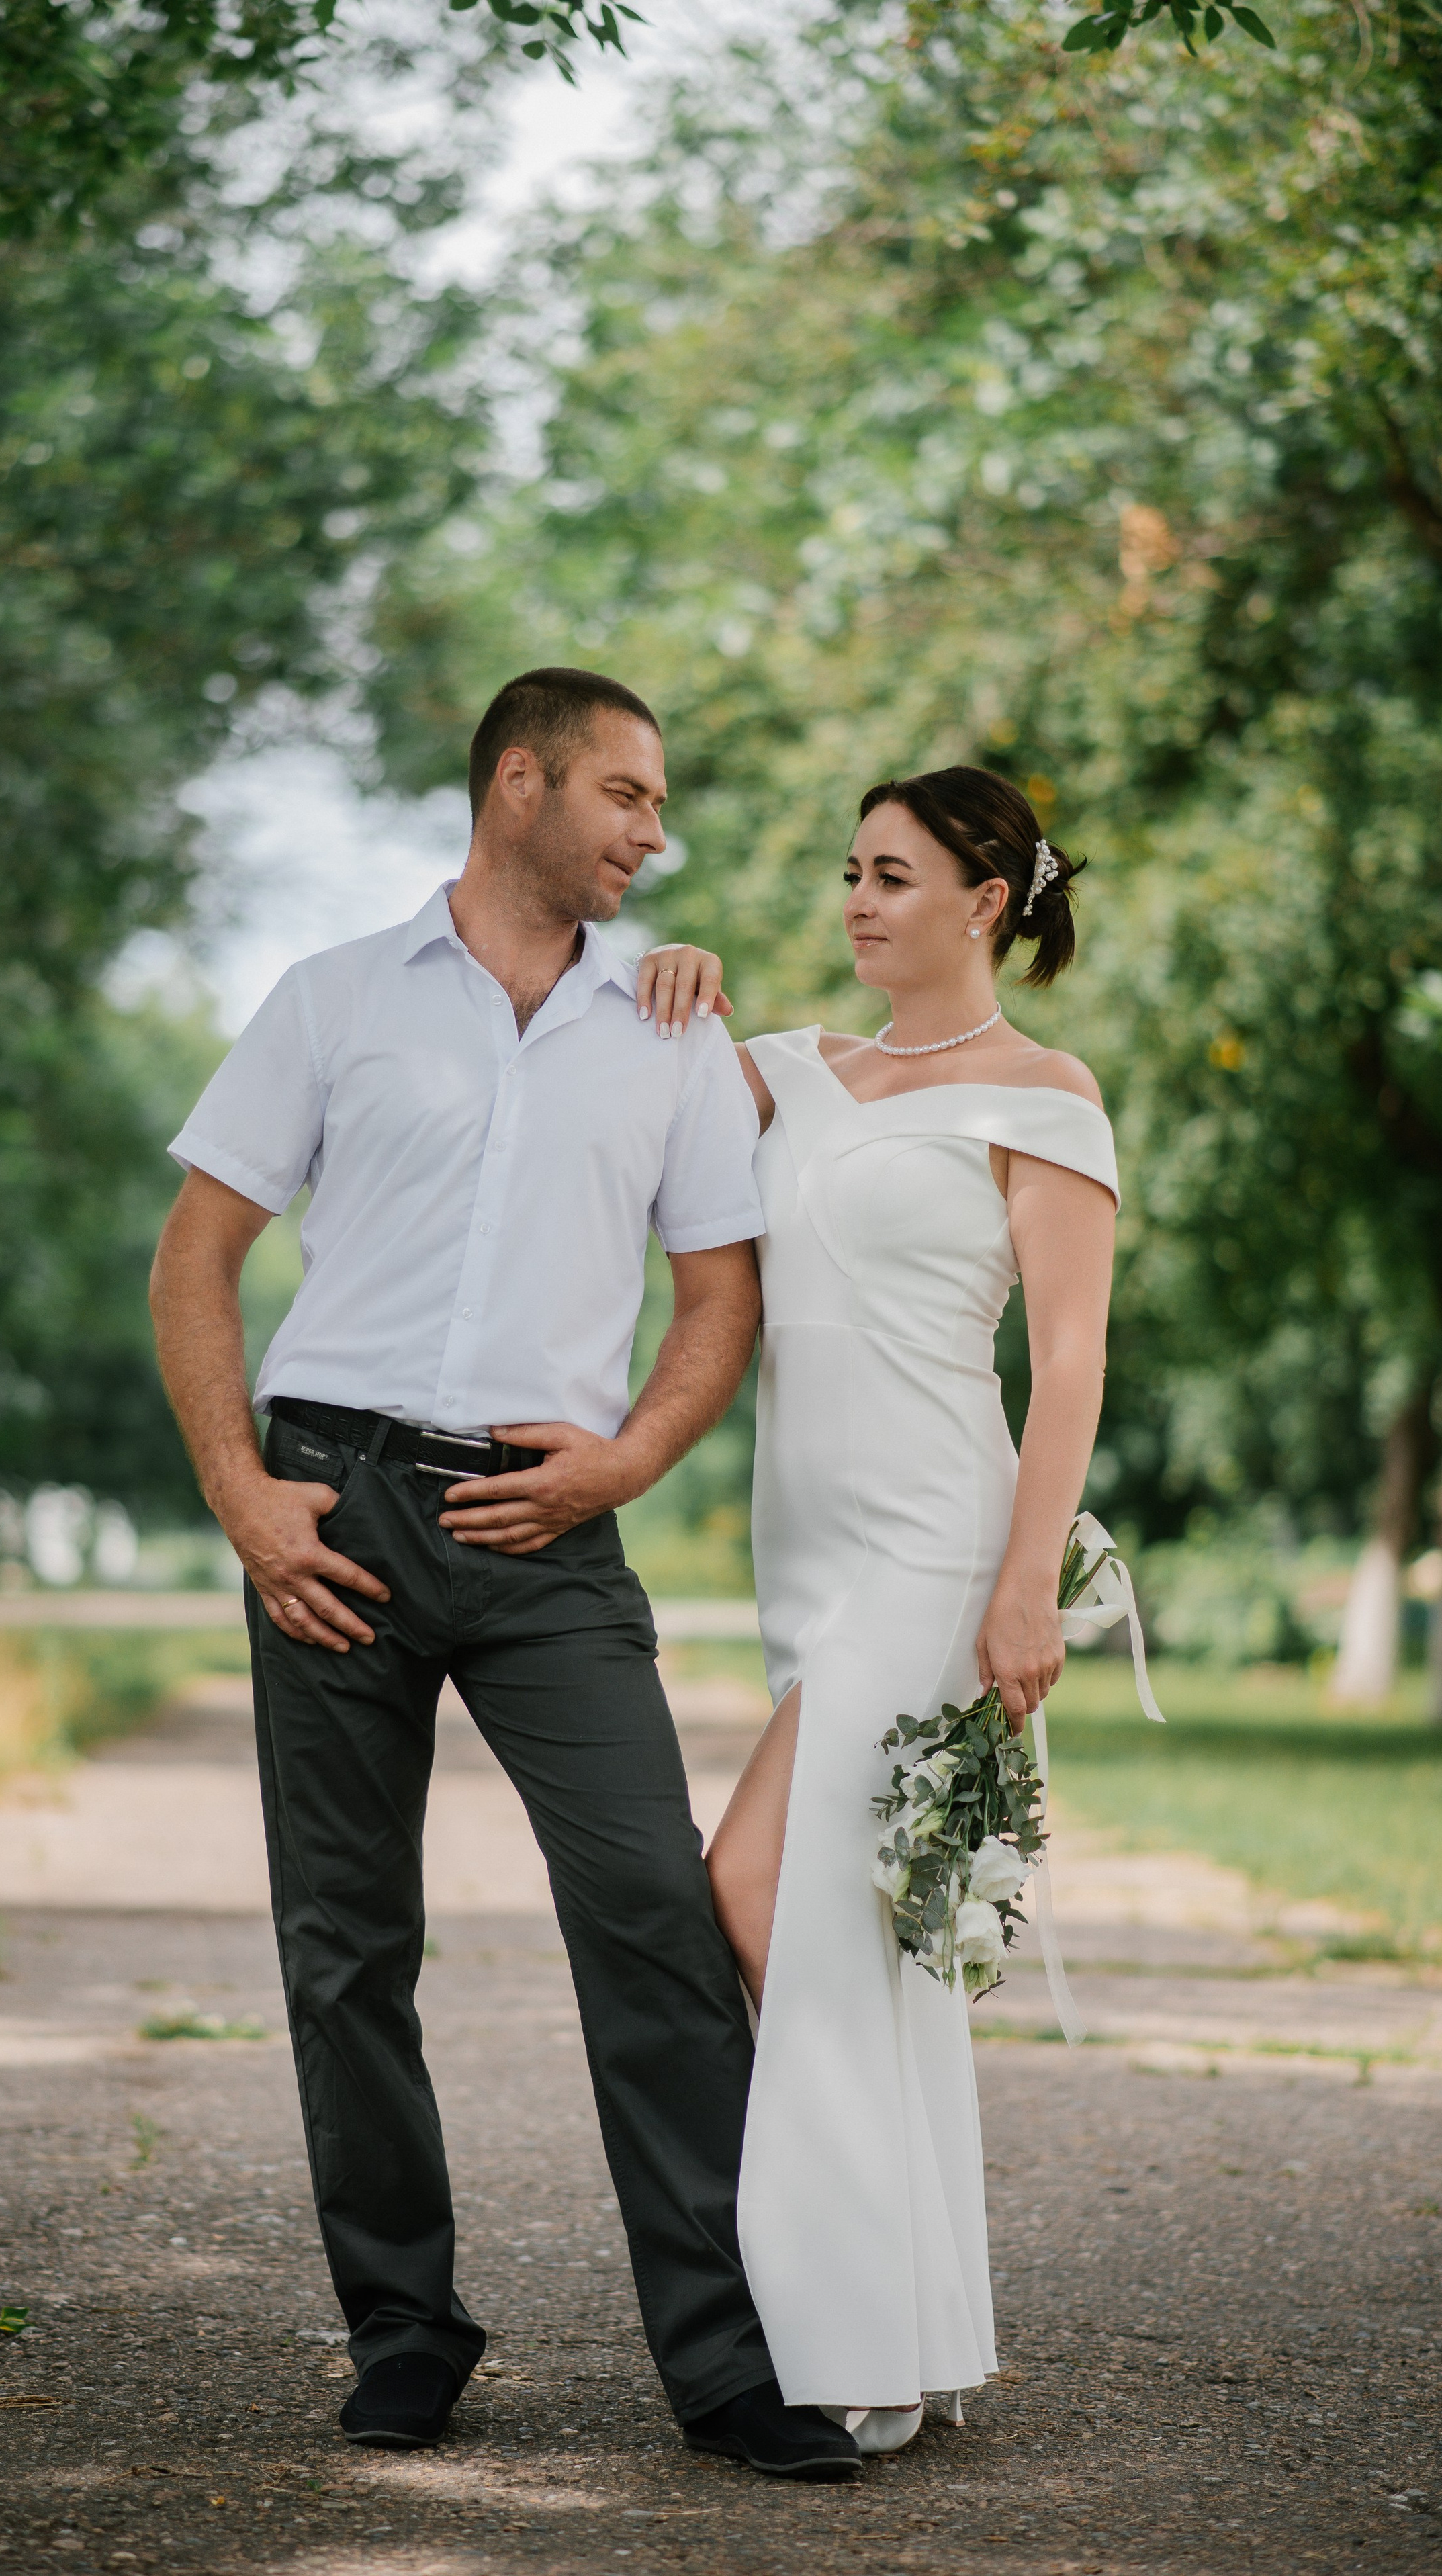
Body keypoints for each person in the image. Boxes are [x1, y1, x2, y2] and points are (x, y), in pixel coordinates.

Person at [148, 668, 861, 2481]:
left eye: (660, 803)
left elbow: (718, 1299)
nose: (654, 832)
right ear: (519, 782)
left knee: (652, 1916)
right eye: (627, 793)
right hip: (333, 1511)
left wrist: (626, 1460)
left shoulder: (670, 1028)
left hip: (552, 1526)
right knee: (345, 1944)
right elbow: (197, 1255)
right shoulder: (331, 999)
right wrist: (243, 1492)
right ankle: (403, 2327)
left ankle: (730, 2362)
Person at [634, 768, 1118, 2452]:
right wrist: (669, 973)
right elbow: (634, 1094)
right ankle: (890, 2322)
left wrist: (1023, 1585)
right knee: (842, 1923)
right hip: (806, 1549)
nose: (855, 899)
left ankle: (849, 2336)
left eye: (892, 874)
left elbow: (1069, 1362)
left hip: (935, 1540)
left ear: (984, 900)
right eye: (849, 870)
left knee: (756, 1888)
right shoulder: (782, 1072)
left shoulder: (1043, 1096)